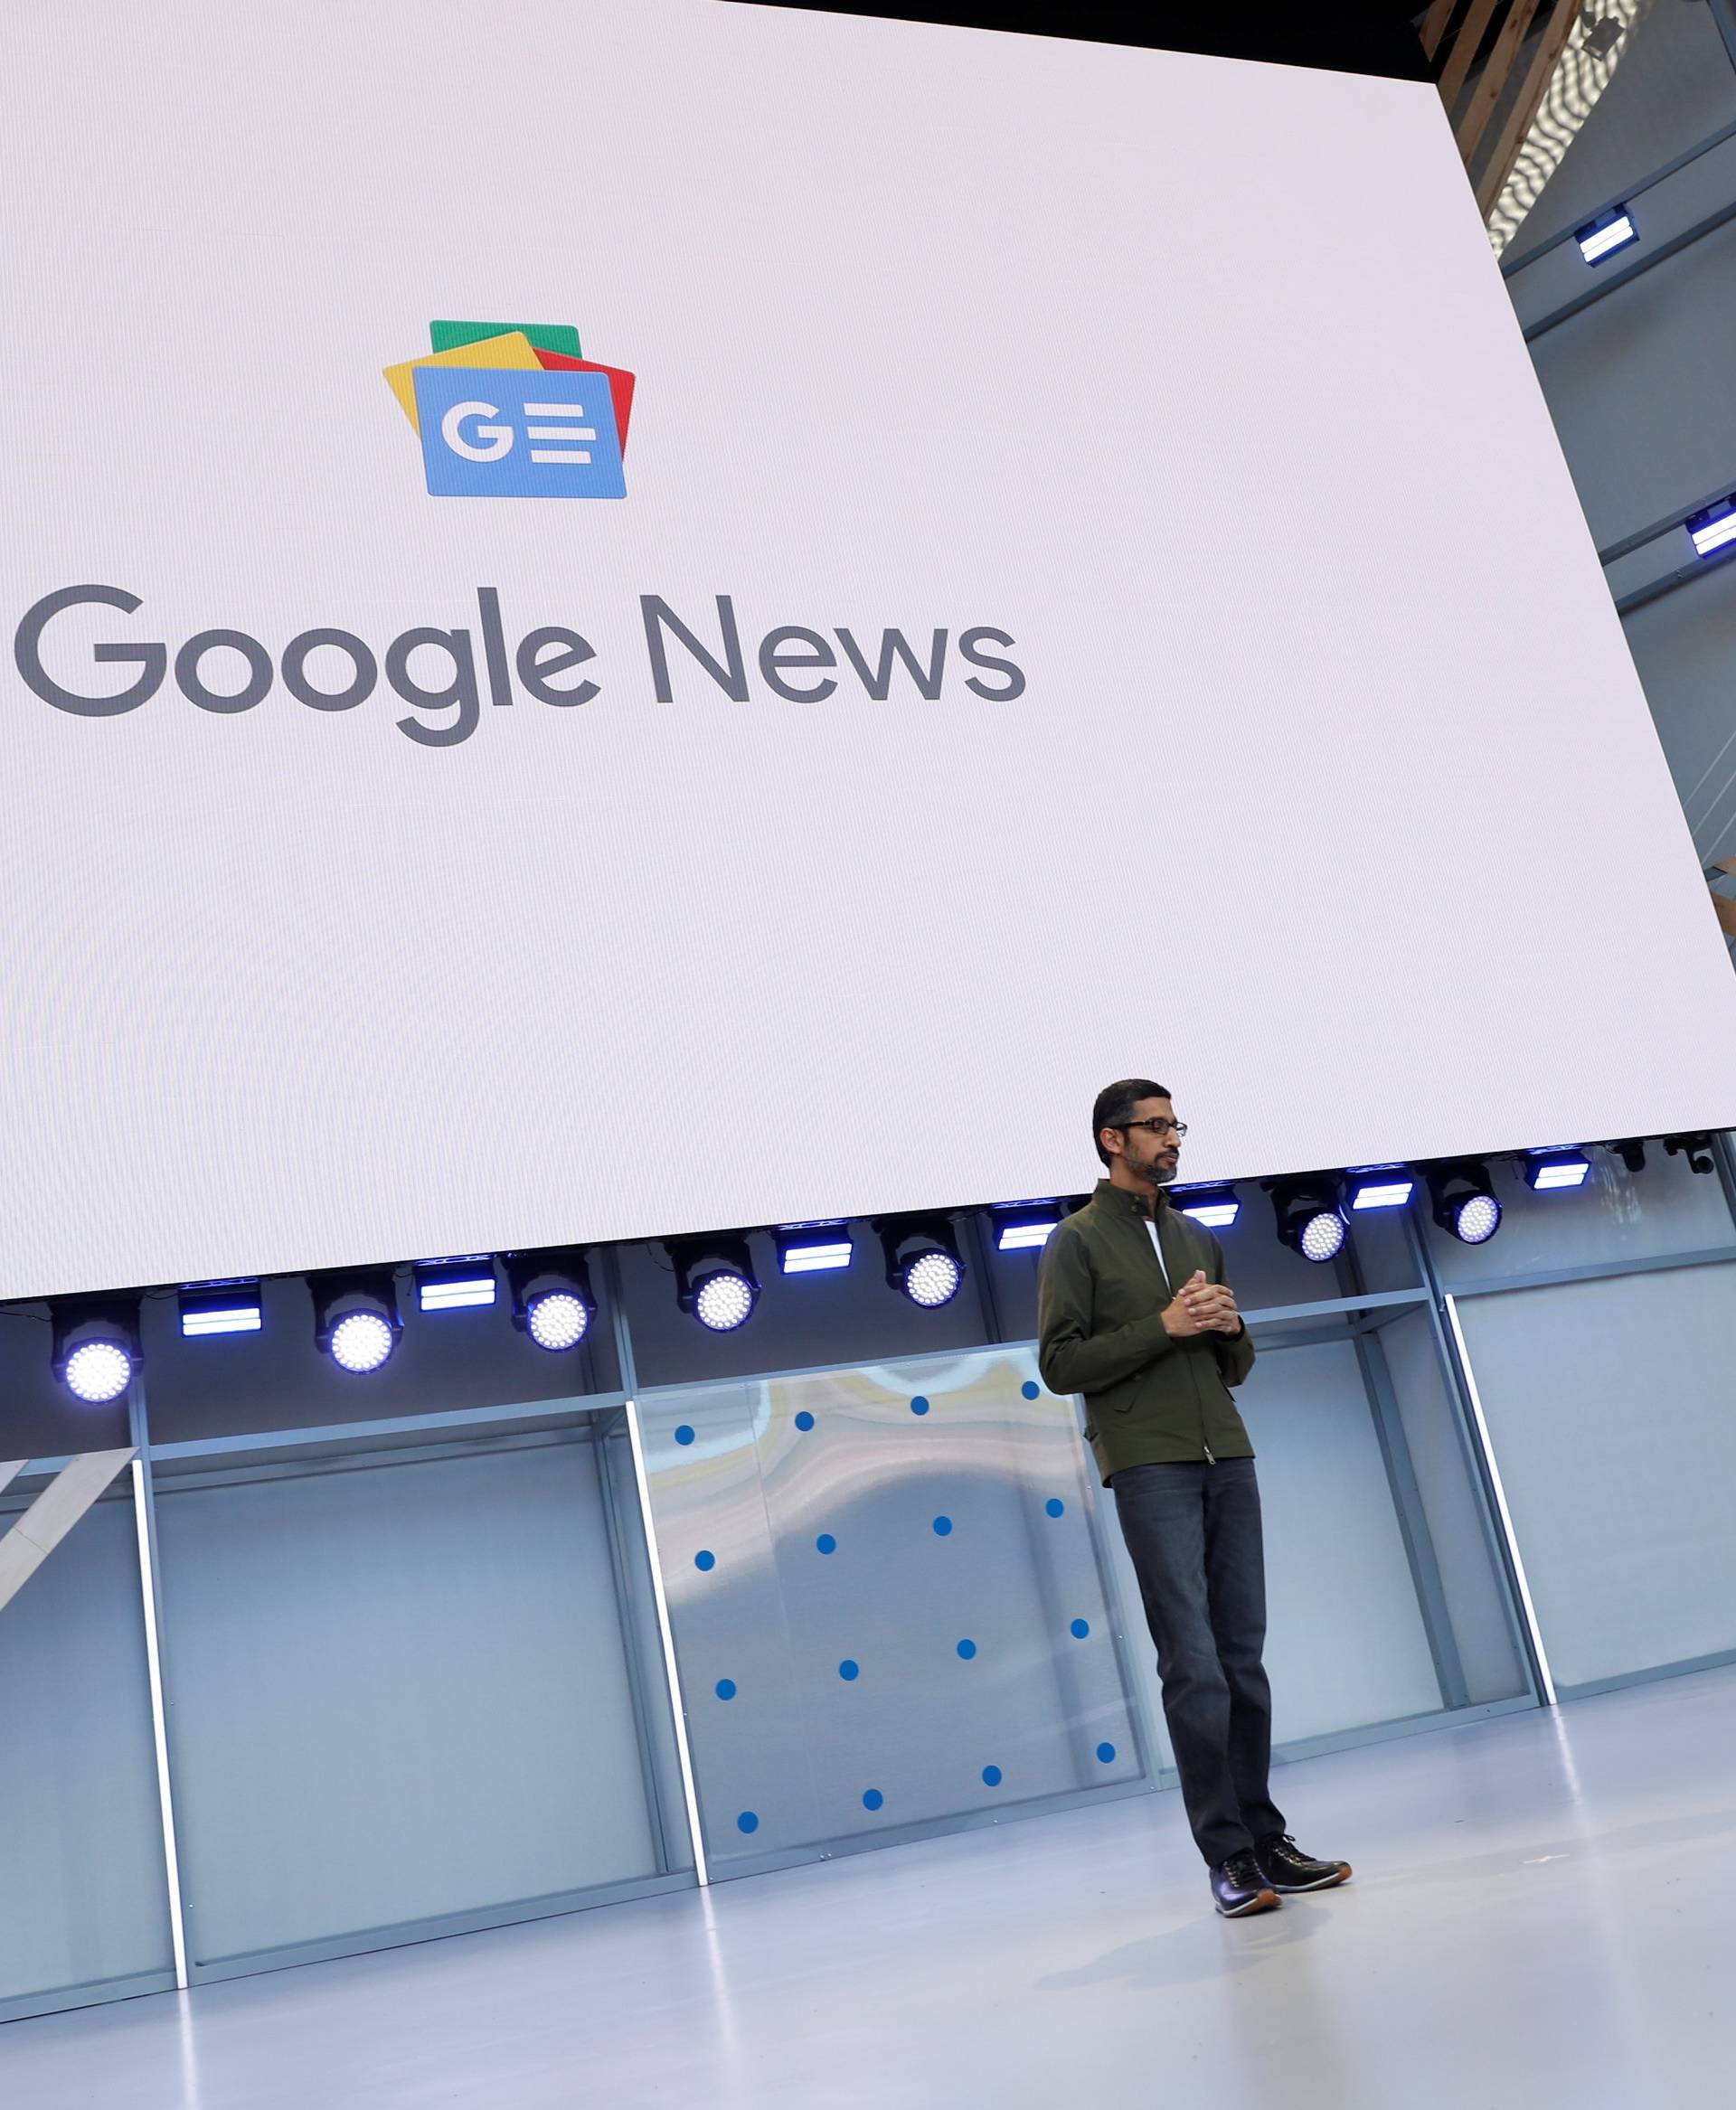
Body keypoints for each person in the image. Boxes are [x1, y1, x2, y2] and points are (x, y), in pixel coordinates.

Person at [1035, 1078, 1352, 1918]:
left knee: (1243, 1662)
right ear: (1112, 1140)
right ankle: (1227, 1858)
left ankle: (1269, 1842)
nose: (1172, 1139)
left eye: (1177, 1125)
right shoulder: (1077, 1243)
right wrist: (1163, 1329)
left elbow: (1234, 1367)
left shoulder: (1199, 1236)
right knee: (1195, 1667)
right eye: (1155, 1127)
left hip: (1228, 1455)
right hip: (1149, 1464)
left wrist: (1228, 1326)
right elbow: (1060, 1365)